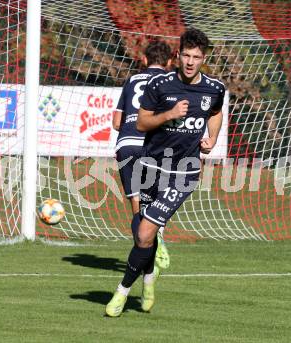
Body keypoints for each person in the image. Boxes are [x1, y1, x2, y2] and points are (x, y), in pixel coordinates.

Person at [106, 27, 225, 317]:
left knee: (146, 231)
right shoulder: (159, 85)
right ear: (178, 55)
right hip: (150, 166)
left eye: (196, 57)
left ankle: (121, 293)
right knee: (141, 235)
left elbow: (217, 113)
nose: (190, 62)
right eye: (186, 55)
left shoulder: (214, 88)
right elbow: (142, 123)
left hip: (184, 172)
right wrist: (168, 115)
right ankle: (149, 279)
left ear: (203, 58)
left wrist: (212, 138)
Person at [112, 41, 172, 270]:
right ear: (169, 62)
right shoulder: (168, 82)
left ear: (144, 60)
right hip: (152, 146)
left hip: (126, 145)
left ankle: (143, 256)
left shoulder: (131, 80)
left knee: (137, 206)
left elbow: (117, 122)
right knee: (157, 202)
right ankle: (157, 241)